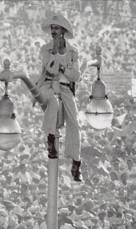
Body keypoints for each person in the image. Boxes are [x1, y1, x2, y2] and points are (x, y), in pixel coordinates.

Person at [37, 13, 82, 181]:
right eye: (52, 28)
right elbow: (51, 70)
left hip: (65, 88)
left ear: (63, 30)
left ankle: (76, 161)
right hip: (48, 84)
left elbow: (76, 76)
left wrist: (63, 69)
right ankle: (50, 138)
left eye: (56, 28)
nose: (53, 31)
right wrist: (55, 54)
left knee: (75, 122)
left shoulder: (73, 51)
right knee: (53, 104)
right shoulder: (45, 49)